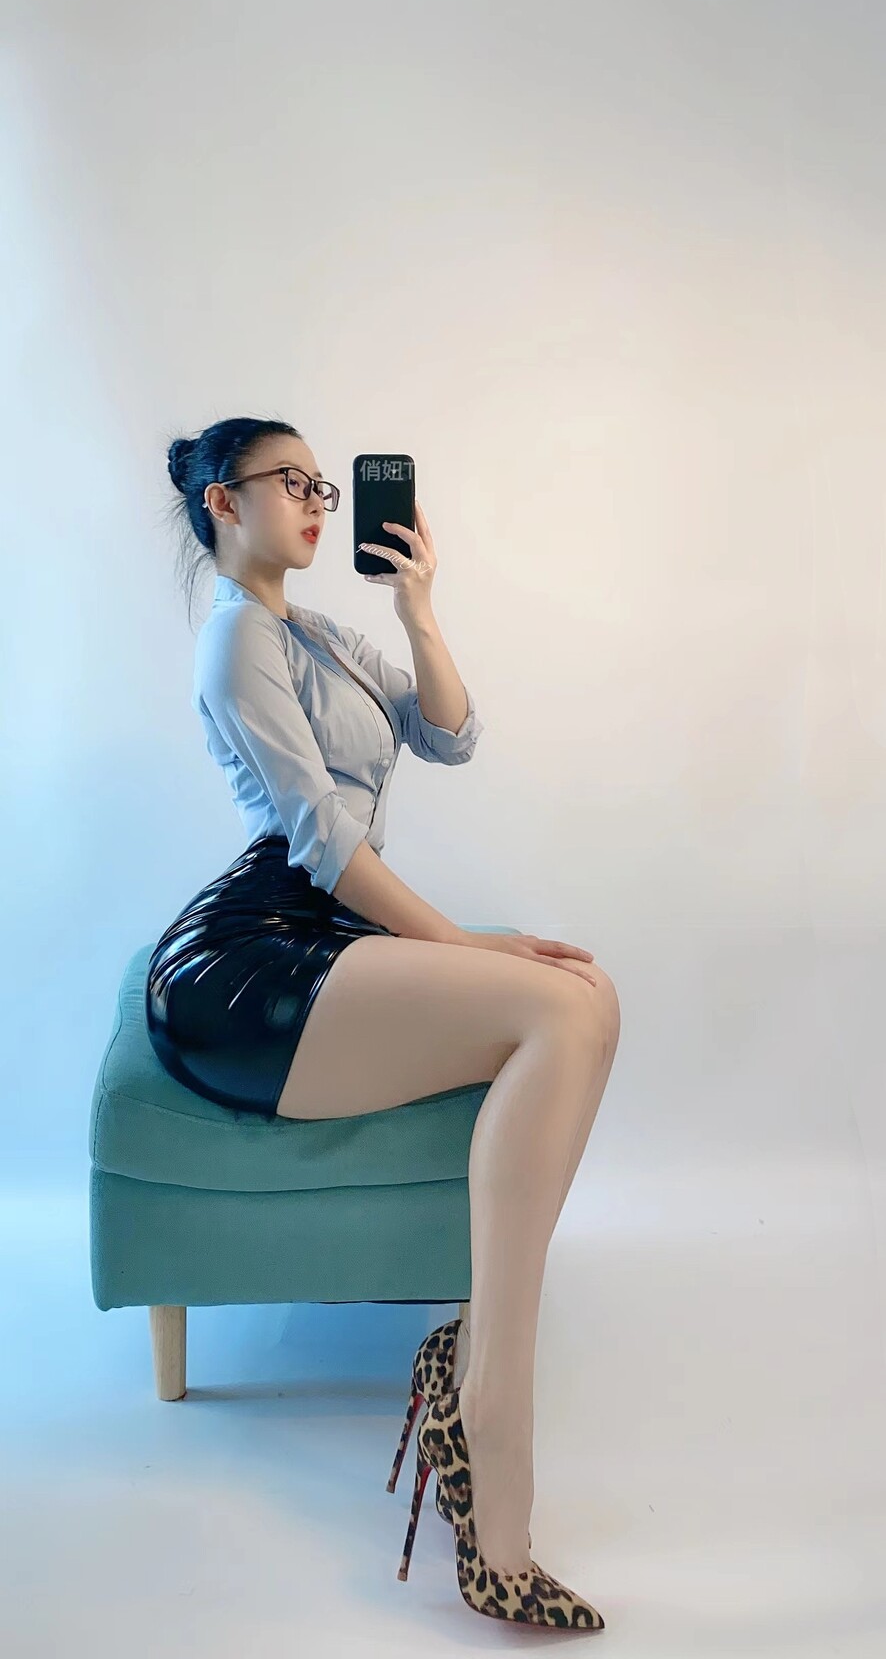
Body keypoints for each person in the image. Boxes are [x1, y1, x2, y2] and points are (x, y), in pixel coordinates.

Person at [147, 412, 620, 1628]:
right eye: (290, 482)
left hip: (323, 934)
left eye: (323, 483)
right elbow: (320, 839)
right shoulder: (234, 639)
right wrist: (459, 943)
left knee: (585, 996)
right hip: (249, 962)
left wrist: (417, 609)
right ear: (222, 503)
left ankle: (470, 1369)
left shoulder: (324, 634)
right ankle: (493, 1436)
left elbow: (450, 733)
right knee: (558, 1008)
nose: (317, 501)